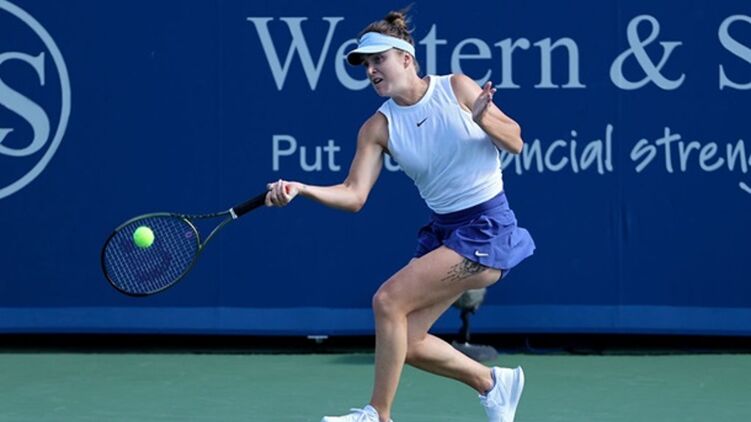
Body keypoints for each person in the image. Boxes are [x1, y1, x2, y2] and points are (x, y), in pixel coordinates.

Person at [265, 8, 535, 422]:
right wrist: (302, 189)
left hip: (487, 229)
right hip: (446, 234)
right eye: (366, 65)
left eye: (379, 60)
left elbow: (515, 140)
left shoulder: (456, 87)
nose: (371, 71)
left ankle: (378, 415)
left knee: (387, 301)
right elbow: (354, 195)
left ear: (406, 59)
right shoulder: (377, 128)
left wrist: (483, 118)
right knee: (404, 340)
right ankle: (491, 384)